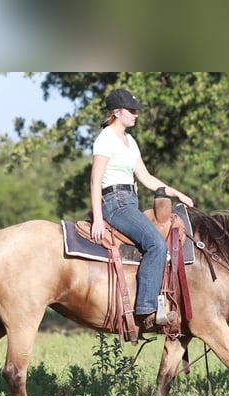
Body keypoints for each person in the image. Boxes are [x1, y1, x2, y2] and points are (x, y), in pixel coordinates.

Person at [90, 88, 194, 328]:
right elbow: (96, 180)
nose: (136, 115)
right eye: (131, 110)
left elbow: (146, 178)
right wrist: (97, 217)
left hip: (131, 201)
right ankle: (147, 310)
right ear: (116, 112)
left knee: (164, 239)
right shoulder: (106, 138)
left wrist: (177, 193)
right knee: (156, 244)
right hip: (114, 203)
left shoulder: (130, 141)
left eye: (136, 111)